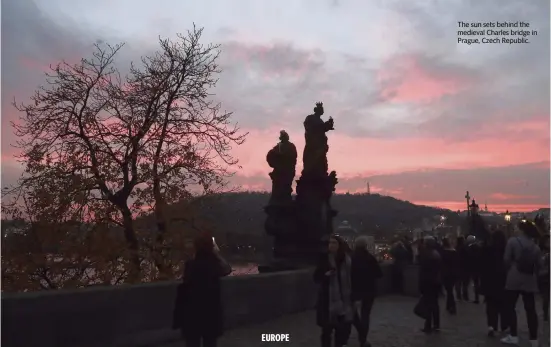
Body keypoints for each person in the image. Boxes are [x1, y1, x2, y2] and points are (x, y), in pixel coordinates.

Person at [172, 232, 232, 347]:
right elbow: (227, 269)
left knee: (192, 342)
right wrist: (216, 253)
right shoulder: (214, 265)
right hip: (210, 313)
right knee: (210, 342)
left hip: (192, 313)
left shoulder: (191, 265)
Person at [501, 221, 542, 346]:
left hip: (514, 276)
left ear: (522, 230)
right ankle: (533, 338)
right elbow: (539, 266)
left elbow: (506, 259)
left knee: (510, 306)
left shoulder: (513, 242)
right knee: (530, 309)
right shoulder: (535, 247)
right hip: (529, 279)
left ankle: (513, 335)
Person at [314, 234, 353, 347]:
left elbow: (353, 279)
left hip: (344, 300)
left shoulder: (347, 260)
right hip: (327, 301)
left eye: (334, 243)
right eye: (330, 243)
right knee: (326, 331)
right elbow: (316, 277)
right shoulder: (324, 260)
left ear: (340, 245)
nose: (331, 245)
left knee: (341, 331)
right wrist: (325, 275)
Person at [351, 236, 383, 347]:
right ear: (365, 246)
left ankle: (360, 331)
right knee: (365, 315)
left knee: (352, 314)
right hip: (369, 290)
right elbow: (379, 274)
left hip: (354, 290)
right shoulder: (370, 258)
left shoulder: (351, 258)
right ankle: (363, 339)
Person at [480, 229, 508, 337]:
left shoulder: (486, 249)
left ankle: (491, 326)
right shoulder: (505, 249)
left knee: (491, 305)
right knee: (503, 305)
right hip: (503, 280)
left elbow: (482, 265)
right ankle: (504, 326)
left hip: (489, 280)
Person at [418, 236, 442, 333]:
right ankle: (436, 325)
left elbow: (423, 271)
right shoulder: (436, 254)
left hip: (428, 282)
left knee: (428, 304)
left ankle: (428, 325)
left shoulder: (426, 255)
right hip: (436, 282)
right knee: (435, 304)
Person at [440, 237, 459, 314]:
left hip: (446, 274)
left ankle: (452, 306)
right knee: (450, 289)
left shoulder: (443, 253)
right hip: (453, 273)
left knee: (449, 290)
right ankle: (449, 305)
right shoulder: (454, 252)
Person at [465, 235, 482, 303]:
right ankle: (477, 297)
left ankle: (467, 296)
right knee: (476, 282)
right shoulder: (478, 247)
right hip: (478, 267)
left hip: (471, 267)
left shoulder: (468, 248)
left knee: (469, 282)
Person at [538, 234, 550, 321]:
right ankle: (545, 313)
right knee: (546, 298)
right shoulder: (541, 253)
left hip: (545, 277)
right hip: (545, 278)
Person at [455, 236, 468, 301]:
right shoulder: (465, 248)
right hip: (464, 267)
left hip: (457, 266)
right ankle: (465, 295)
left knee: (458, 282)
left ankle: (458, 295)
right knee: (464, 283)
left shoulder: (456, 248)